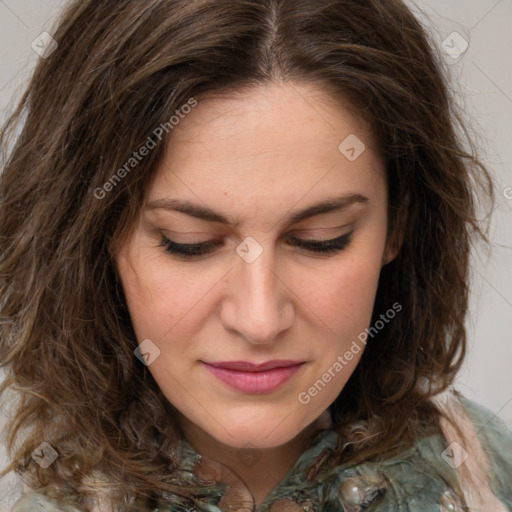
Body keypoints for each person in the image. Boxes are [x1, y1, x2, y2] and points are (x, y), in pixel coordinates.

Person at [0, 0, 511, 511]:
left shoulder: (484, 473)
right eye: (188, 243)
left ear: (398, 222)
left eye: (321, 238)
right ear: (94, 238)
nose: (260, 320)